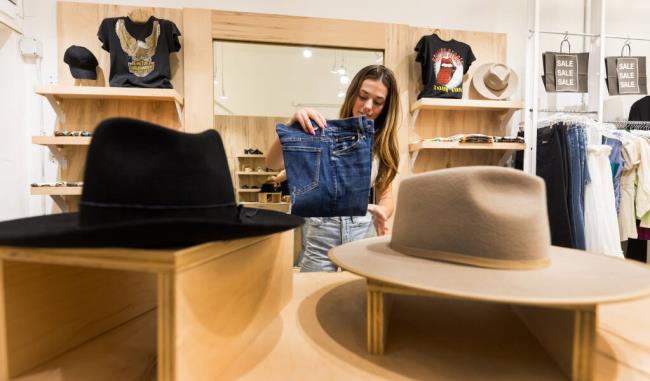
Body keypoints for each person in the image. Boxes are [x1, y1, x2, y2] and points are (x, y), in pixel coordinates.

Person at [266, 65, 401, 272]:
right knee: (313, 294)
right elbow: (272, 163)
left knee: (357, 296)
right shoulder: (321, 132)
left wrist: (382, 210)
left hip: (363, 232)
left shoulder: (381, 144)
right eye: (363, 96)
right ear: (353, 93)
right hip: (321, 232)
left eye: (378, 102)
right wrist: (292, 125)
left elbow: (386, 195)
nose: (368, 106)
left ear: (386, 107)